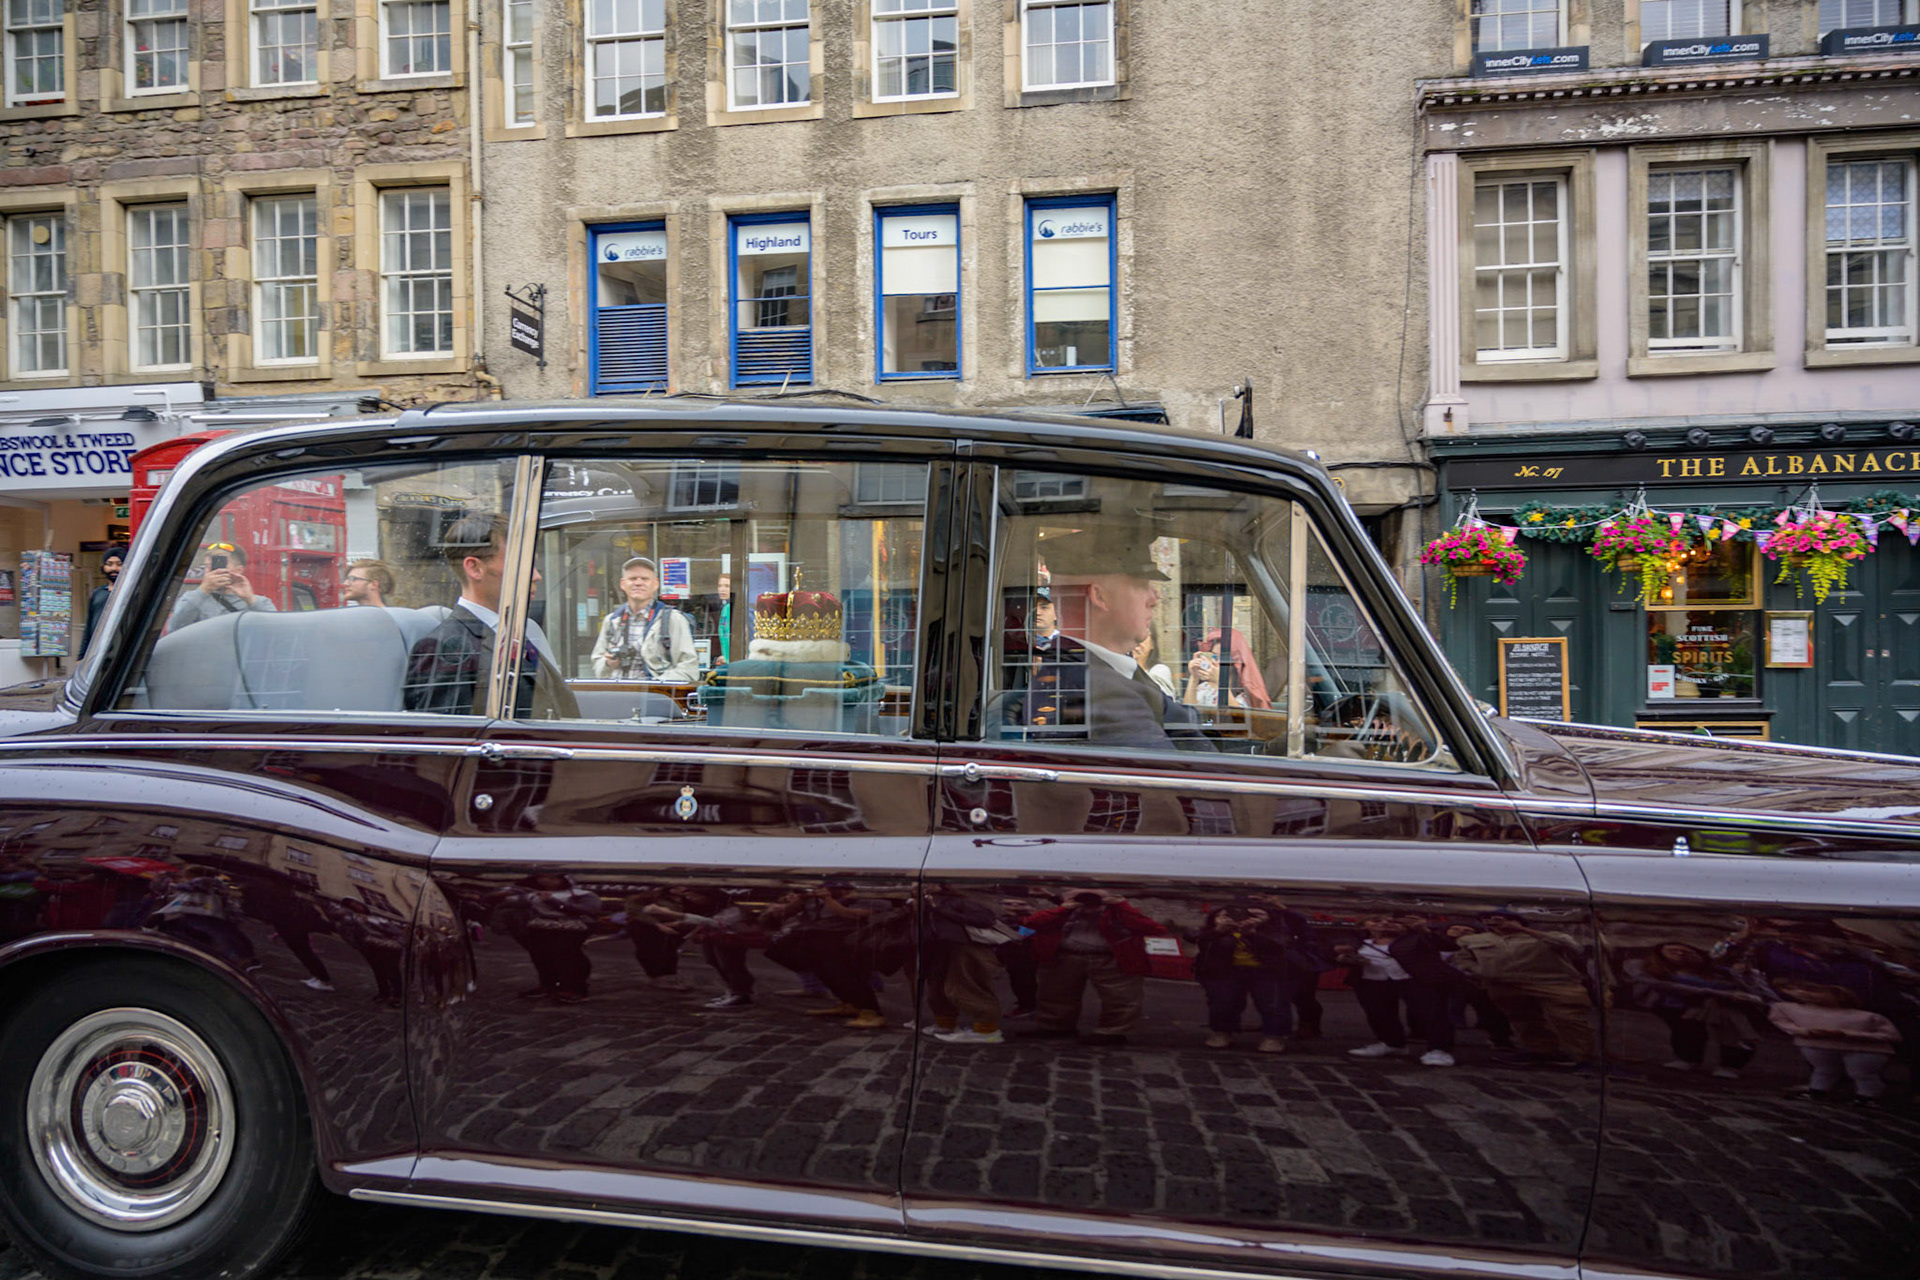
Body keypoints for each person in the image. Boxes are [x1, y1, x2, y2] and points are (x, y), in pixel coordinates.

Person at [1023, 530, 1213, 751]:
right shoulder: (1104, 696)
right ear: (1100, 596)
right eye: (1142, 584)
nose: (1155, 598)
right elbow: (1180, 778)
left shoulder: (1095, 675)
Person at [404, 513, 579, 718]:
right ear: (475, 568)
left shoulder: (514, 634)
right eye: (522, 564)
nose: (537, 576)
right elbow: (449, 739)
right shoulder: (446, 648)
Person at [1022, 889, 1167, 1043]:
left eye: (1095, 897)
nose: (1088, 901)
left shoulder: (1119, 913)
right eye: (1081, 897)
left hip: (1110, 959)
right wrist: (1063, 909)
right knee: (1054, 993)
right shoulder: (1061, 913)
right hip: (1065, 956)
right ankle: (1054, 1027)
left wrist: (1121, 906)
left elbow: (1155, 929)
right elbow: (1031, 924)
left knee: (1120, 996)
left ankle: (1113, 1032)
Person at [590, 557, 699, 682]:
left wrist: (653, 687)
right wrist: (608, 664)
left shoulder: (673, 620)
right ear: (622, 584)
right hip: (617, 695)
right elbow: (596, 663)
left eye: (645, 579)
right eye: (632, 578)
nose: (638, 583)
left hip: (654, 697)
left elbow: (689, 670)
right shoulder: (611, 621)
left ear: (656, 584)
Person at [168, 542, 276, 630]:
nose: (211, 571)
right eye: (207, 566)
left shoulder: (259, 602)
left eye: (219, 565)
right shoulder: (193, 598)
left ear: (239, 570)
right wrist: (203, 590)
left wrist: (250, 599)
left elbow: (275, 629)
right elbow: (174, 628)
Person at [79, 545, 126, 656]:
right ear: (103, 567)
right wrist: (82, 656)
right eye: (109, 564)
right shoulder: (98, 593)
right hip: (98, 653)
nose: (114, 568)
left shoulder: (131, 592)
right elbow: (89, 626)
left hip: (122, 652)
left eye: (119, 564)